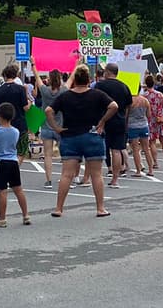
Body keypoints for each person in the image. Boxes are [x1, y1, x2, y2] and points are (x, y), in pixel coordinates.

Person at [46, 65, 119, 218]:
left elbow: (48, 111)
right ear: (88, 80)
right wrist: (102, 121)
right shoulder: (97, 94)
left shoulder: (65, 96)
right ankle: (100, 208)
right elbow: (113, 106)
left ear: (75, 80)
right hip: (92, 135)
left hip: (70, 137)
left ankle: (59, 208)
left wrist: (56, 128)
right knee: (96, 174)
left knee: (66, 174)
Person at [0, 103, 31, 228]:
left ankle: (2, 219)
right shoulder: (15, 131)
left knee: (2, 190)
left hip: (1, 162)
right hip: (13, 161)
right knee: (18, 189)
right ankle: (25, 215)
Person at [94, 63, 133, 188]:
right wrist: (125, 120)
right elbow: (129, 106)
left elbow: (95, 102)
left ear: (108, 72)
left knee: (99, 150)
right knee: (116, 151)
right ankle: (115, 179)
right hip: (120, 121)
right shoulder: (124, 86)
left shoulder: (100, 86)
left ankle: (96, 177)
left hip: (103, 121)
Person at [0, 64, 30, 165]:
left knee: (6, 149)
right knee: (21, 149)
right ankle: (15, 166)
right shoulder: (21, 89)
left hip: (4, 124)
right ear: (15, 75)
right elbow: (25, 108)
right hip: (20, 123)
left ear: (5, 75)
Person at [36, 69, 67, 188]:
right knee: (64, 154)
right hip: (60, 125)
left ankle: (48, 180)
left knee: (47, 154)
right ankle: (65, 177)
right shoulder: (63, 91)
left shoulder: (44, 91)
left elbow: (37, 78)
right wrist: (77, 64)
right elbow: (71, 79)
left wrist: (34, 65)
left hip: (46, 126)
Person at [144, 75, 163, 169]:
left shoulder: (144, 96)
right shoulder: (159, 94)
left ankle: (155, 162)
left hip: (150, 120)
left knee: (152, 142)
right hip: (160, 118)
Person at [126, 88, 151, 177]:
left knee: (135, 150)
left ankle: (138, 171)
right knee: (146, 149)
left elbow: (126, 115)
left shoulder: (130, 101)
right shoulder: (145, 100)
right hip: (144, 125)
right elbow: (149, 115)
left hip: (132, 126)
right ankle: (151, 170)